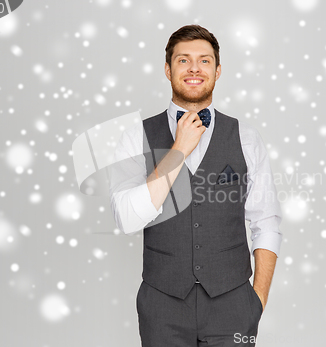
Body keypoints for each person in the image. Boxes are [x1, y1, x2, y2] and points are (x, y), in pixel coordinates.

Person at [109, 24, 283, 347]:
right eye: (183, 60)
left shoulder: (246, 138)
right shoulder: (135, 137)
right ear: (167, 69)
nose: (193, 69)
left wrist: (255, 301)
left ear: (218, 71)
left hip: (233, 306)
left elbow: (266, 221)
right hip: (162, 308)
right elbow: (127, 219)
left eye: (204, 61)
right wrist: (177, 152)